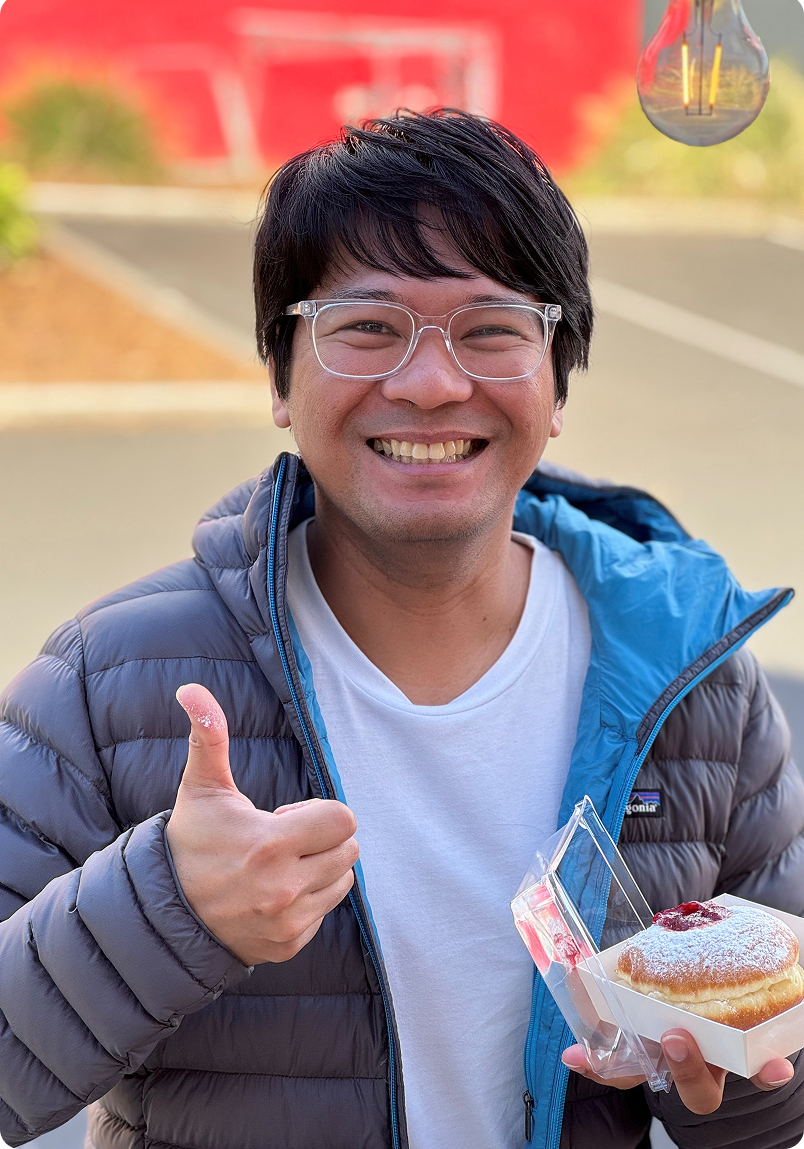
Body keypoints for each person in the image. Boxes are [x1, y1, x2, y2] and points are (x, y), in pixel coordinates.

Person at [0, 109, 802, 1149]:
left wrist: (737, 1081)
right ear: (282, 376)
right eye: (367, 325)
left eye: (492, 327)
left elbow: (776, 1102)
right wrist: (164, 908)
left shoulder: (695, 686)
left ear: (558, 380)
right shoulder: (113, 681)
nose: (430, 382)